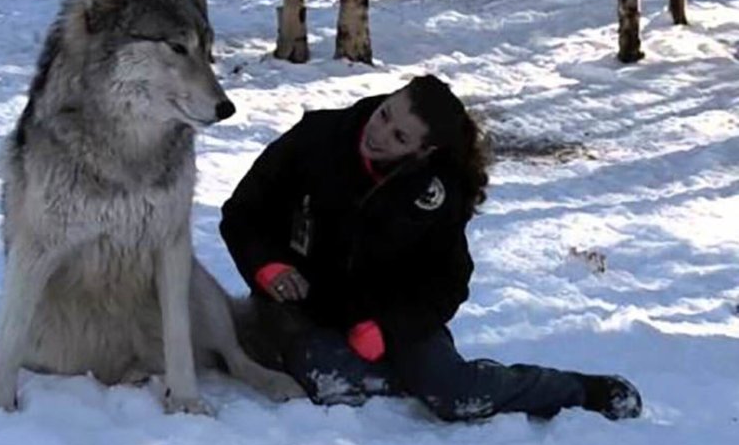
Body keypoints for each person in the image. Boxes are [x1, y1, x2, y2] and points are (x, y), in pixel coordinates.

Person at [220, 74, 642, 422]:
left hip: (387, 316)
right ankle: (414, 383)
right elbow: (242, 213)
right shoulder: (317, 138)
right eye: (385, 114)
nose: (379, 133)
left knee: (455, 395)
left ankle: (580, 390)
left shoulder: (439, 191)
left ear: (423, 150)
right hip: (303, 309)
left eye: (399, 135)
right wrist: (266, 266)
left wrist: (389, 328)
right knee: (339, 385)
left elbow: (447, 282)